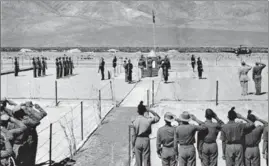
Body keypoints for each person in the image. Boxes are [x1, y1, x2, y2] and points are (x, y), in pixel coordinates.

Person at [132, 101, 160, 166]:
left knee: (138, 161)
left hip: (137, 140)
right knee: (146, 160)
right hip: (145, 140)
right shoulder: (148, 120)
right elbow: (158, 117)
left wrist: (133, 146)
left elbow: (133, 135)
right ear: (144, 111)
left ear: (138, 111)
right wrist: (150, 110)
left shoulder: (134, 121)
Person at [20, 102, 47, 166]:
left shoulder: (22, 115)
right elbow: (43, 114)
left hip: (25, 135)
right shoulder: (33, 116)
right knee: (31, 152)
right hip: (31, 134)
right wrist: (38, 108)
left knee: (26, 152)